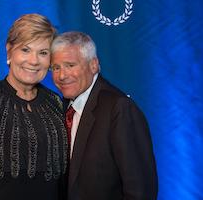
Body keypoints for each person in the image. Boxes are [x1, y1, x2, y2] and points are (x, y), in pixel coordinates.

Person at [0, 14, 68, 200]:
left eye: (43, 52)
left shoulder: (56, 103)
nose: (33, 61)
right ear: (9, 52)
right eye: (25, 50)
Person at [51, 31, 158, 200]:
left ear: (93, 65)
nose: (62, 75)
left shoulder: (119, 108)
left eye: (70, 65)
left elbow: (140, 190)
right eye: (56, 68)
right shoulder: (60, 108)